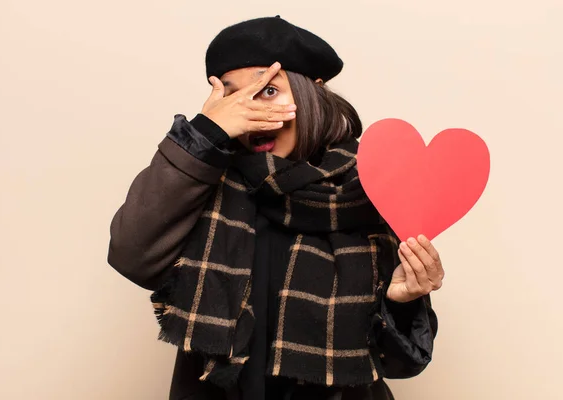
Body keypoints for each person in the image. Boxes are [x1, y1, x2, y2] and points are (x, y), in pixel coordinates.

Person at [107, 15, 443, 400]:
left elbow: (401, 365)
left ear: (312, 93)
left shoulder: (369, 189)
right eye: (234, 95)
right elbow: (131, 254)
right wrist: (203, 135)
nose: (251, 111)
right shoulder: (204, 182)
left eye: (268, 90)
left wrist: (400, 304)